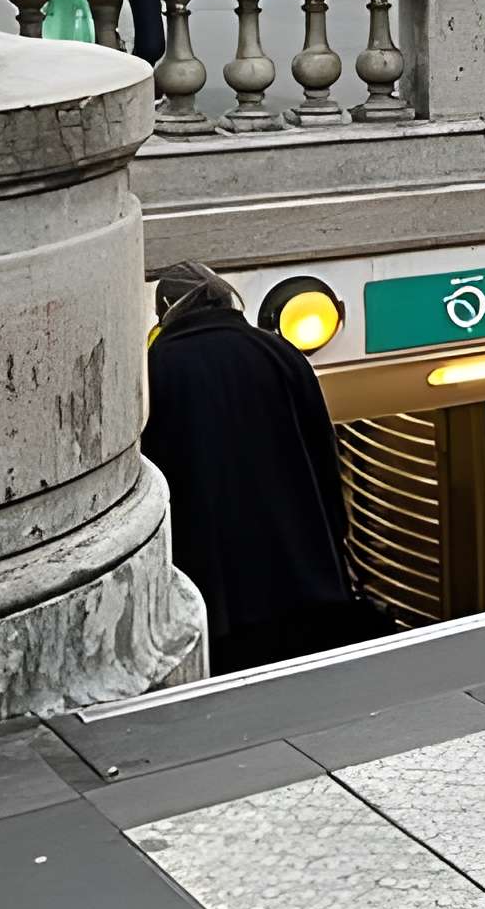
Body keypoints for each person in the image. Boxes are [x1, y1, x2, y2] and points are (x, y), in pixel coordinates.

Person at [140, 264, 383, 671]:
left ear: (166, 309)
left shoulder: (156, 368)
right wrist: (334, 540)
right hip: (304, 580)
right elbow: (324, 454)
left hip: (220, 598)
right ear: (221, 297)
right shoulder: (279, 351)